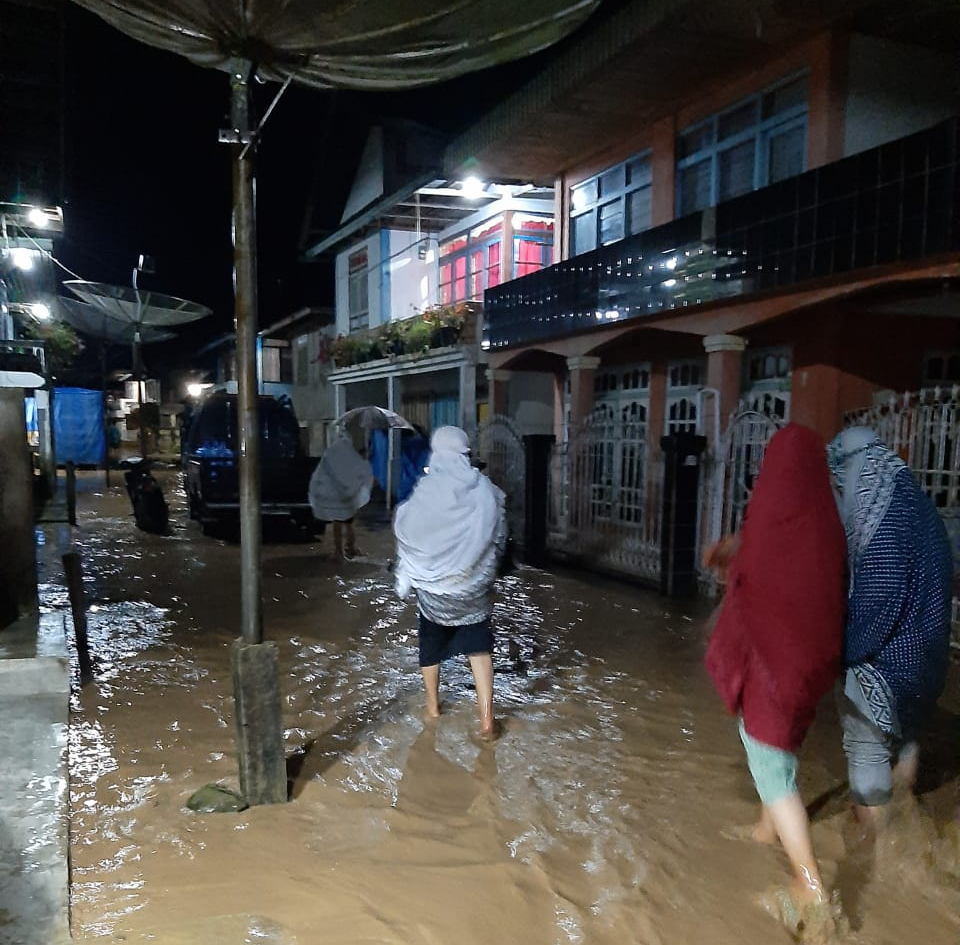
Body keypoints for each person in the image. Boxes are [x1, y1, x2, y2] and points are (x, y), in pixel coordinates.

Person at [705, 423, 847, 915]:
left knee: (771, 769)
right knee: (784, 749)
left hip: (773, 669)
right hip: (811, 668)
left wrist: (732, 565)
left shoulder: (770, 517)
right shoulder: (823, 521)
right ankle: (767, 830)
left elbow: (752, 577)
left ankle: (809, 881)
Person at [826, 427, 953, 835]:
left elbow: (874, 609)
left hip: (889, 665)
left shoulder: (881, 521)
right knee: (907, 737)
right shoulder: (922, 507)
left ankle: (877, 852)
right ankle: (905, 810)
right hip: (927, 660)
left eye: (840, 477)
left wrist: (836, 657)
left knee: (865, 746)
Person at [393, 426, 507, 740]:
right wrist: (479, 570)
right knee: (479, 650)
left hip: (434, 595)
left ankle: (432, 708)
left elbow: (408, 533)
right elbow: (499, 538)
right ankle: (487, 722)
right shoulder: (485, 490)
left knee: (430, 646)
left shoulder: (425, 491)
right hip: (473, 592)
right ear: (465, 453)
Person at [308, 432, 374, 559]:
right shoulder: (351, 455)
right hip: (347, 496)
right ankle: (351, 547)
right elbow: (360, 471)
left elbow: (321, 474)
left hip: (335, 497)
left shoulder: (330, 455)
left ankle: (339, 551)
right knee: (349, 523)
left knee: (337, 524)